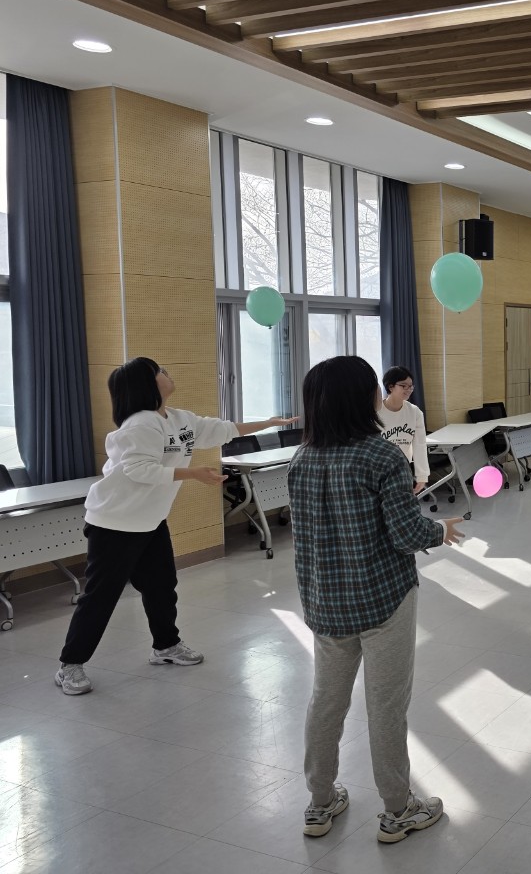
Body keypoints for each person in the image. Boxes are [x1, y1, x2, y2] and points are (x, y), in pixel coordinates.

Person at [288, 356, 465, 844]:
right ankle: (397, 810)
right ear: (360, 397)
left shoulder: (302, 459)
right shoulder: (380, 457)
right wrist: (441, 529)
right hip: (384, 599)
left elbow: (307, 536)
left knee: (326, 701)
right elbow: (406, 533)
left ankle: (319, 803)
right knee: (386, 705)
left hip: (325, 601)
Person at [55, 358, 295, 696]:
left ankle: (166, 646)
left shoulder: (179, 419)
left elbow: (221, 429)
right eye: (160, 371)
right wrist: (193, 473)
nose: (168, 374)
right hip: (114, 523)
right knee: (101, 596)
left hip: (150, 521)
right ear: (146, 383)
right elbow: (140, 469)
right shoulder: (138, 426)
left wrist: (268, 423)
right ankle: (70, 665)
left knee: (161, 586)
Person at [378, 366, 429, 494]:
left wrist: (422, 475)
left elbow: (419, 444)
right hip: (379, 470)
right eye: (403, 386)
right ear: (390, 386)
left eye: (411, 386)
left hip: (402, 469)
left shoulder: (415, 412)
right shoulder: (376, 412)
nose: (408, 390)